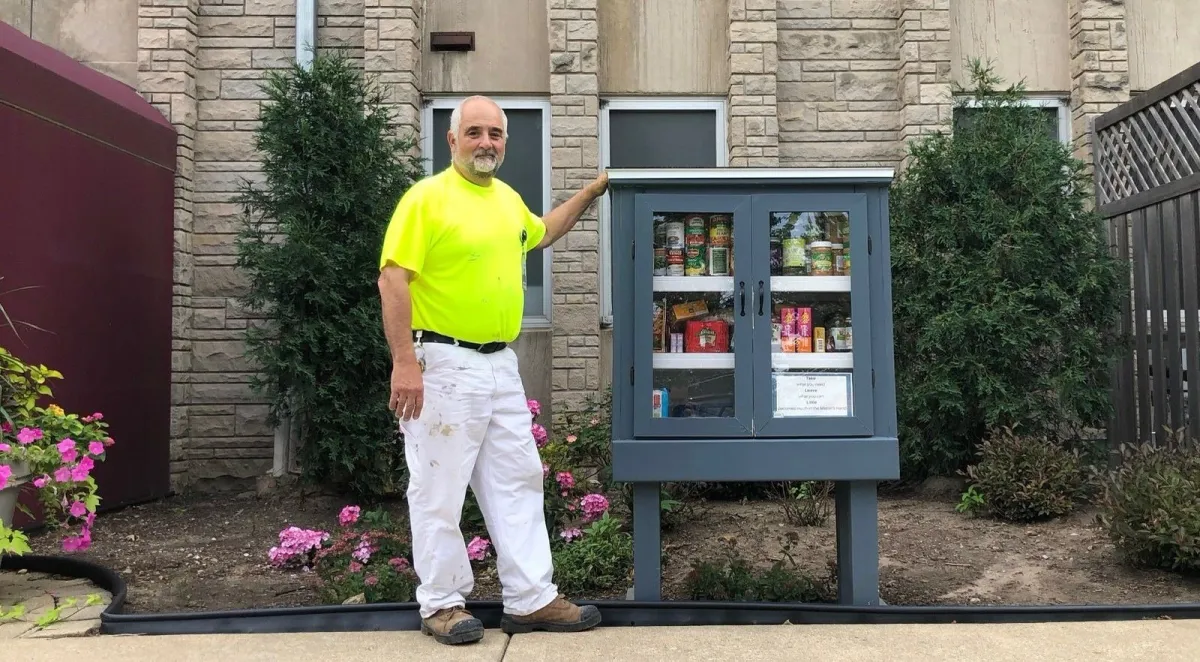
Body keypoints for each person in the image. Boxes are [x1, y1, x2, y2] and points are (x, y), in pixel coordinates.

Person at [376, 95, 608, 646]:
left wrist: (591, 192)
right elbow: (393, 279)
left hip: (500, 363)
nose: (486, 142)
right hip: (444, 362)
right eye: (474, 132)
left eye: (496, 134)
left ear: (505, 141)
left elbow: (542, 233)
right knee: (439, 486)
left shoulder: (505, 199)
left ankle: (531, 600)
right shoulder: (425, 200)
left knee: (518, 480)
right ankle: (441, 604)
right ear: (451, 140)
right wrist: (405, 362)